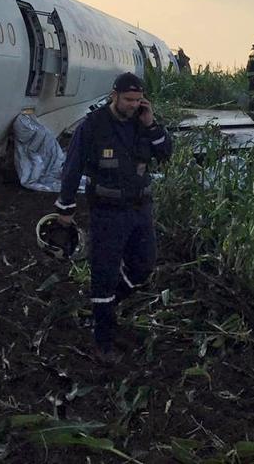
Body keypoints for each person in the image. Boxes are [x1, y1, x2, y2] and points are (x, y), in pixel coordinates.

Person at [54, 72, 172, 365]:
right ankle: (103, 342)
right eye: (128, 100)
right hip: (107, 211)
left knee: (143, 267)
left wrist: (151, 123)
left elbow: (166, 153)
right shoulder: (93, 126)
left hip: (140, 210)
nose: (133, 105)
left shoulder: (143, 123)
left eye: (137, 100)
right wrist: (65, 209)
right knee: (103, 274)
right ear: (114, 95)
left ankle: (106, 308)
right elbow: (72, 168)